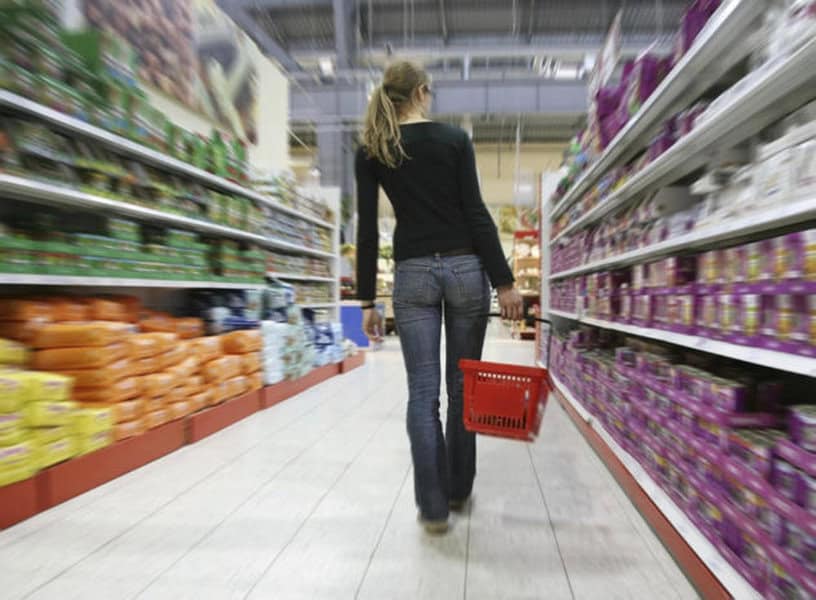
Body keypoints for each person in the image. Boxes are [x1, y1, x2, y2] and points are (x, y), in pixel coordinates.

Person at [355, 61, 524, 534]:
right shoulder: (454, 140)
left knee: (422, 393)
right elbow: (476, 212)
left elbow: (366, 230)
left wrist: (366, 301)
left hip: (412, 276)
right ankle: (458, 488)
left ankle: (432, 508)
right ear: (422, 92)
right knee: (463, 388)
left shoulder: (373, 148)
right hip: (467, 269)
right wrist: (505, 281)